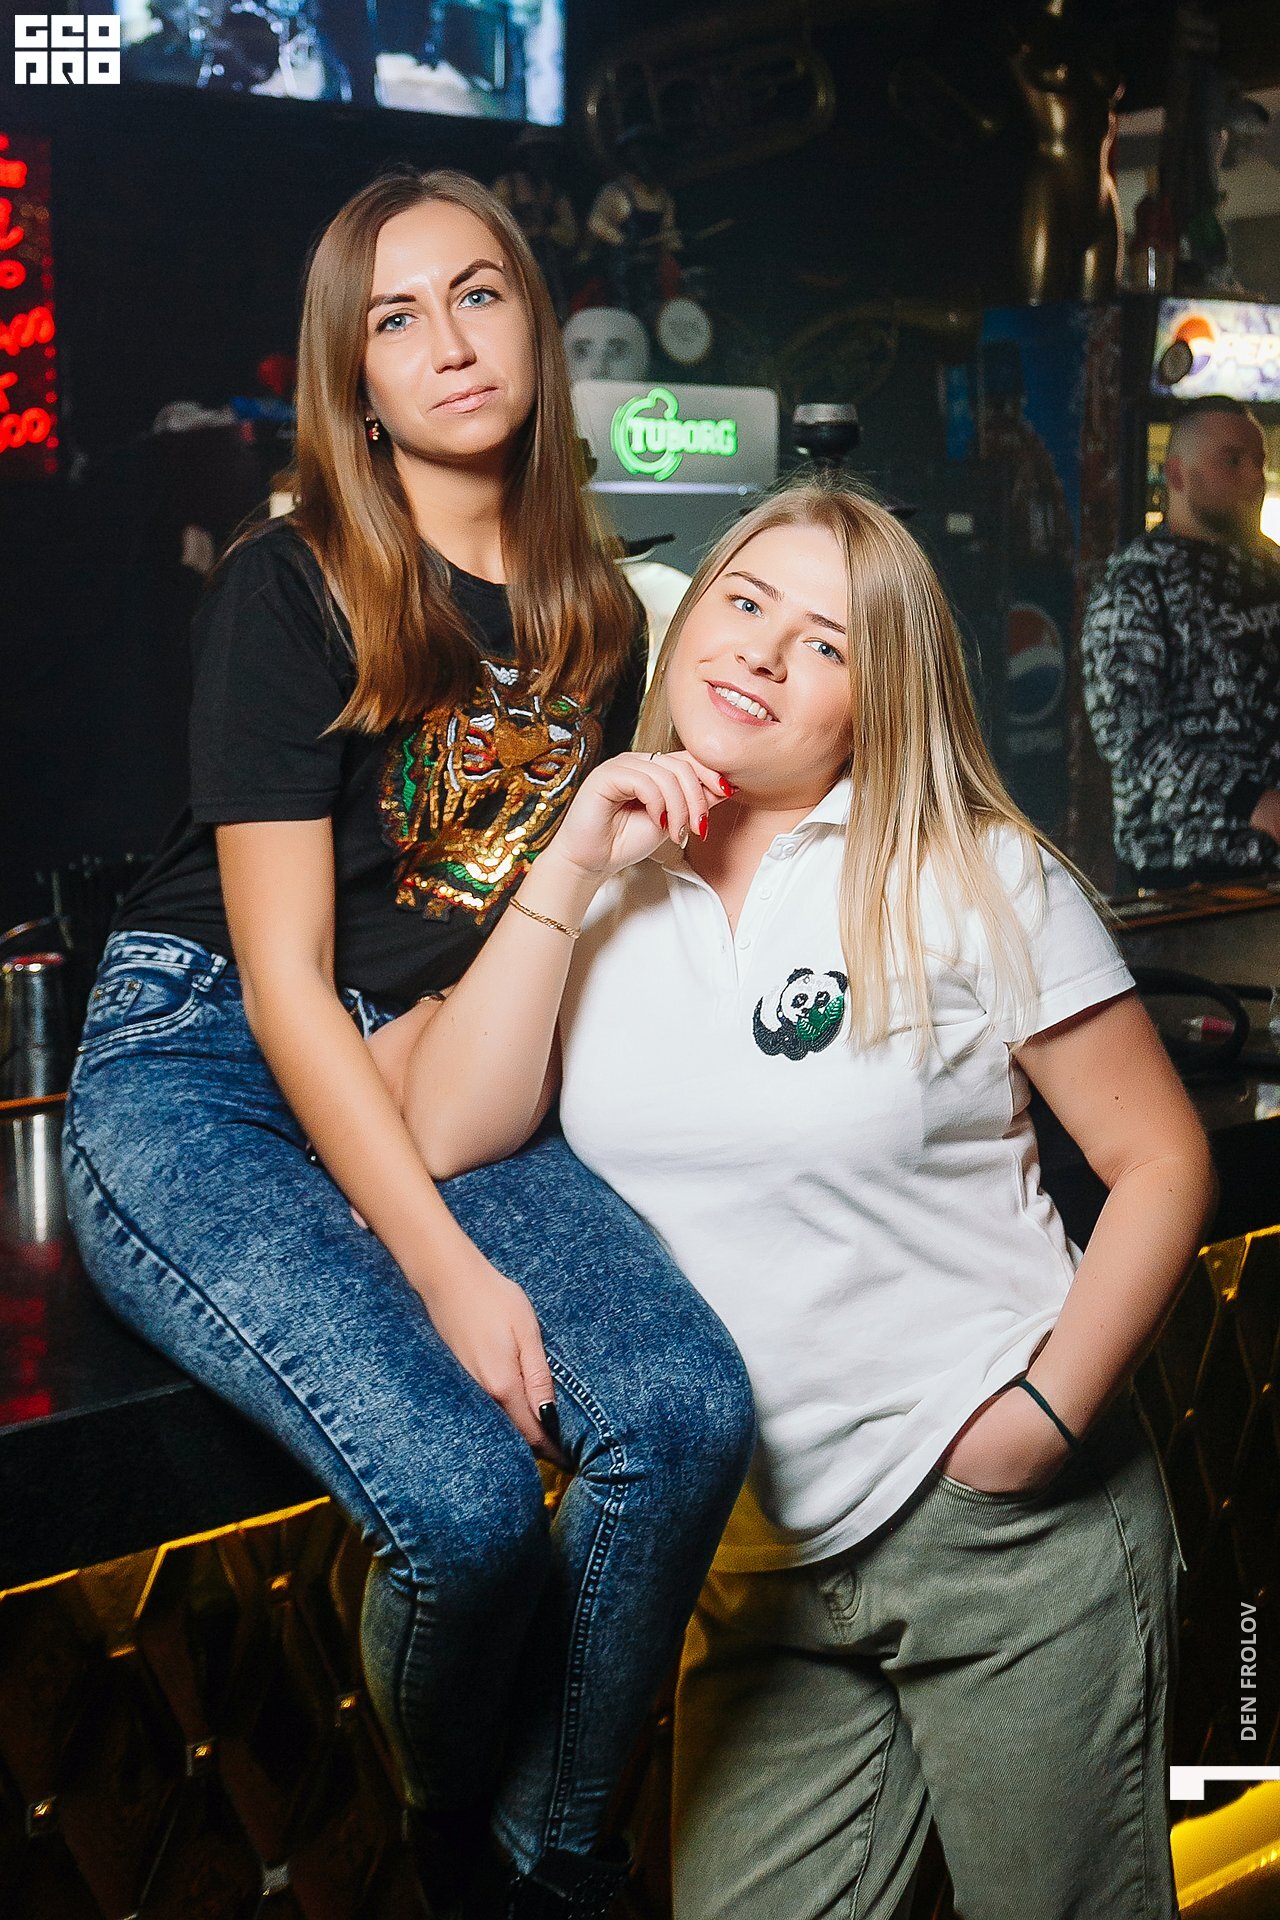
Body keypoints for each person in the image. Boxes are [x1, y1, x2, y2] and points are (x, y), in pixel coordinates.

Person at [368, 480, 1217, 1919]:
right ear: (689, 617)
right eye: (745, 601)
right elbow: (447, 1129)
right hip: (748, 1564)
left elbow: (1161, 1162)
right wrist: (571, 854)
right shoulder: (606, 882)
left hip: (1002, 1535)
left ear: (878, 703)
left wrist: (1039, 1423)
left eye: (826, 642)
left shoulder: (971, 872)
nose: (761, 650)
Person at [60, 169, 755, 1920]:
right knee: (462, 1506)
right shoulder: (292, 583)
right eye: (395, 317)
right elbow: (288, 983)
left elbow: (541, 914)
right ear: (353, 379)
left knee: (684, 1416)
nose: (447, 342)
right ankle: (453, 1840)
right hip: (210, 1057)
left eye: (479, 295)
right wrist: (447, 1270)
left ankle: (551, 1855)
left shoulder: (603, 614)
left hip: (437, 1059)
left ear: (535, 322)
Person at [1082, 393, 1280, 888]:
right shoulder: (1138, 581)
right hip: (1189, 874)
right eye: (1232, 460)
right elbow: (1129, 733)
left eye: (1259, 461)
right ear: (1176, 474)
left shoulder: (1271, 567)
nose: (1254, 477)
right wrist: (1252, 803)